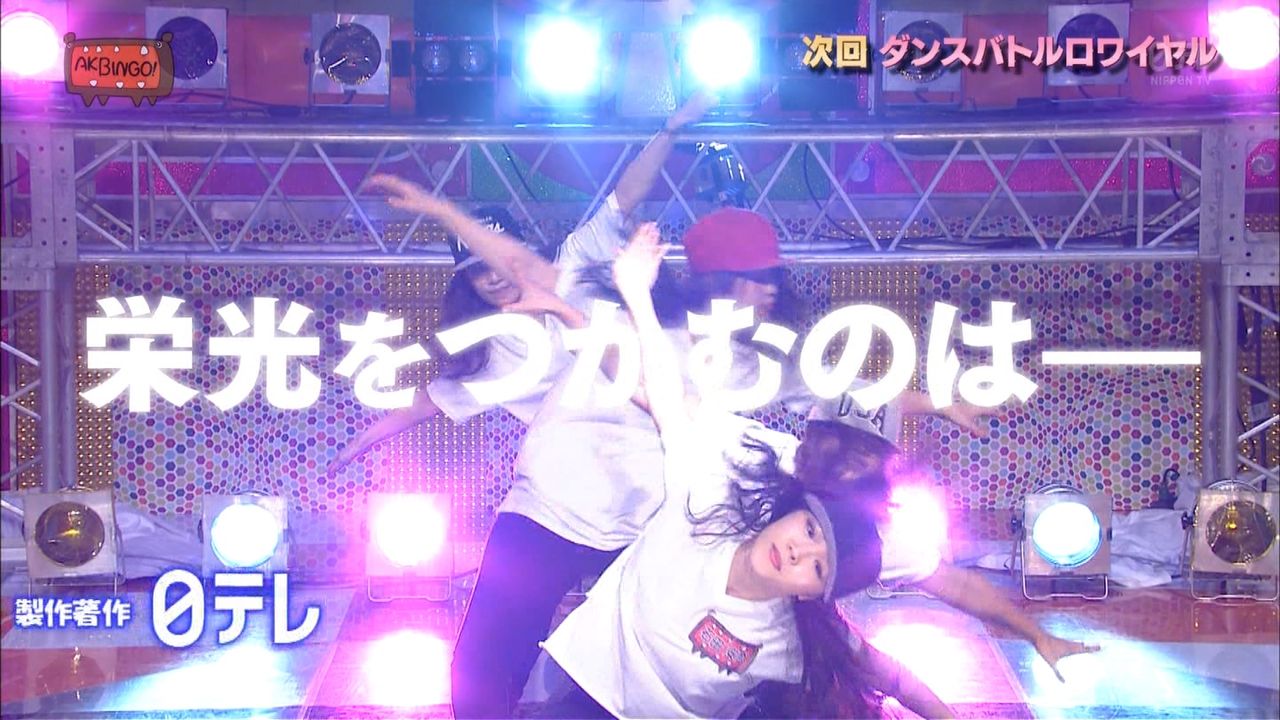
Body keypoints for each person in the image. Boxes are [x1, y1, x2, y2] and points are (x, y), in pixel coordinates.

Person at [329, 96, 719, 719]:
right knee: (480, 670)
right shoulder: (498, 347)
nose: (494, 276)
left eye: (497, 260)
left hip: (642, 515)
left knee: (643, 669)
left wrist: (670, 129)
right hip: (549, 510)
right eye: (477, 274)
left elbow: (624, 196)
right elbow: (427, 403)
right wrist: (360, 441)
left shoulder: (579, 272)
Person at [539, 226, 953, 718]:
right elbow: (666, 393)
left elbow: (893, 676)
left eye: (817, 568)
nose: (798, 552)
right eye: (808, 530)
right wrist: (635, 294)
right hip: (589, 695)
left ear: (813, 594)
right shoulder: (709, 497)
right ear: (793, 512)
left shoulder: (793, 636)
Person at [678, 208, 1101, 680]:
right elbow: (670, 404)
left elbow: (956, 586)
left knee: (858, 670)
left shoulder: (870, 535)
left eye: (863, 458)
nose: (770, 290)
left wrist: (1035, 634)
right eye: (758, 277)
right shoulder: (762, 457)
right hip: (688, 611)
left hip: (773, 644)